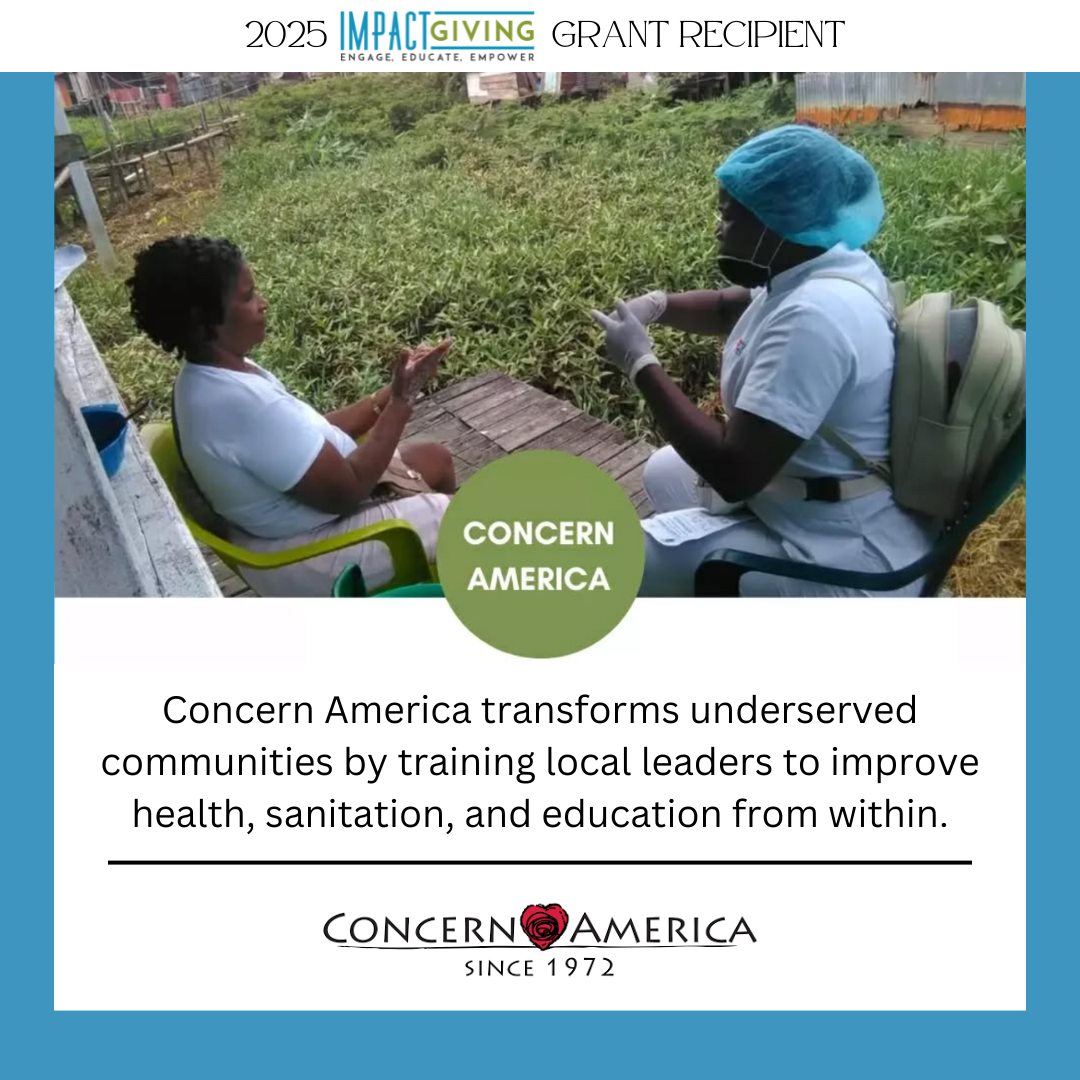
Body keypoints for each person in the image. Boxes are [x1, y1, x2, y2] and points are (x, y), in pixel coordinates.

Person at [592, 125, 938, 597]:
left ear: (778, 219)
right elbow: (729, 305)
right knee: (663, 470)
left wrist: (640, 364)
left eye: (729, 216)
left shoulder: (815, 317)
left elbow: (734, 472)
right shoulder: (827, 265)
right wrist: (659, 304)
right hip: (809, 494)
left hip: (844, 554)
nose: (718, 227)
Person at [128, 235, 456, 597]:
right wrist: (401, 402)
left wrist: (389, 393)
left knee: (434, 458)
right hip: (309, 550)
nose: (263, 303)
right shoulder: (240, 405)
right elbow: (347, 490)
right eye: (248, 296)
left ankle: (441, 571)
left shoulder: (209, 372)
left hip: (297, 518)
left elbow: (311, 431)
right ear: (204, 319)